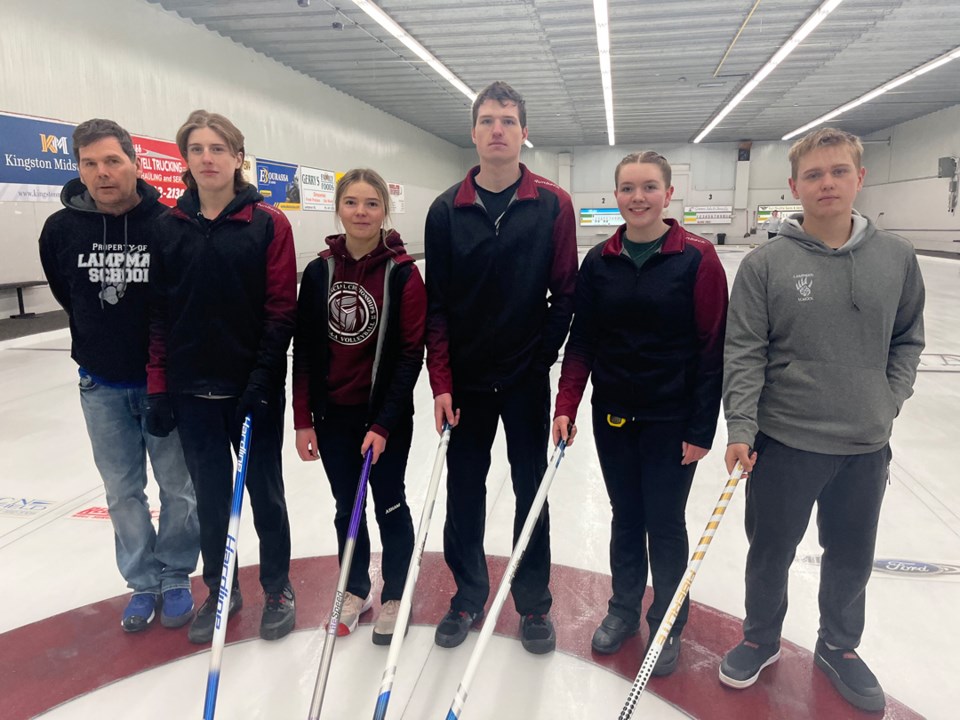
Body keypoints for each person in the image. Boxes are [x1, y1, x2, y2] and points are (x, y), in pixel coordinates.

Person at [719, 128, 925, 712]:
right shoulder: (766, 264)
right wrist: (740, 426)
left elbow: (908, 338)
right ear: (794, 187)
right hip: (785, 442)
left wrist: (888, 398)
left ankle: (839, 646)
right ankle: (761, 637)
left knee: (852, 554)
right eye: (813, 174)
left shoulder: (897, 259)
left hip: (865, 445)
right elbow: (745, 351)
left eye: (838, 171)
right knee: (769, 551)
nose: (827, 182)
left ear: (860, 178)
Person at [553, 151, 728, 675]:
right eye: (628, 188)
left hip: (671, 421)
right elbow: (581, 340)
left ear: (669, 195)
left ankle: (669, 622)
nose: (638, 197)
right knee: (626, 518)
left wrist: (701, 428)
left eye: (649, 187)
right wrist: (566, 403)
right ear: (615, 197)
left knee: (665, 524)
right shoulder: (599, 261)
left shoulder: (696, 259)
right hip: (614, 415)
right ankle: (624, 609)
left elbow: (711, 347)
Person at [425, 80, 578, 654]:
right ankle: (467, 597)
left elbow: (565, 293)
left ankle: (534, 603)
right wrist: (441, 381)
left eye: (508, 121)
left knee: (529, 488)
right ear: (473, 132)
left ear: (523, 132)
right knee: (464, 490)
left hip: (522, 380)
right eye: (487, 120)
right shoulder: (446, 210)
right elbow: (436, 306)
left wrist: (537, 361)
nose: (497, 130)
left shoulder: (552, 205)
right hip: (464, 381)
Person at [38, 118, 200, 633]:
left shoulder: (167, 223)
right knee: (122, 492)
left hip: (162, 384)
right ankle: (142, 582)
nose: (103, 173)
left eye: (112, 161)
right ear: (79, 169)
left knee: (178, 488)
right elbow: (68, 294)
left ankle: (175, 575)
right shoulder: (61, 230)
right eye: (90, 164)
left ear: (134, 162)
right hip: (101, 386)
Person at [146, 110, 298, 644]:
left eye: (217, 148)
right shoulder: (167, 228)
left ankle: (278, 588)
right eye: (196, 149)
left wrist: (261, 380)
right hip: (192, 393)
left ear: (237, 157)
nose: (207, 158)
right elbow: (160, 315)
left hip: (250, 390)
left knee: (265, 493)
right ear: (185, 161)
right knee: (209, 499)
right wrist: (160, 388)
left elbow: (281, 310)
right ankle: (221, 586)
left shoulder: (267, 224)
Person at [292, 168, 425, 644]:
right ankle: (355, 588)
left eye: (371, 203)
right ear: (338, 208)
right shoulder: (318, 272)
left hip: (384, 419)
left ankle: (395, 593)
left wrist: (385, 423)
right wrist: (303, 418)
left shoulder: (403, 274)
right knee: (345, 506)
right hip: (333, 416)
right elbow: (304, 350)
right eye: (352, 202)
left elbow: (411, 355)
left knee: (390, 504)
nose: (361, 212)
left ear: (385, 211)